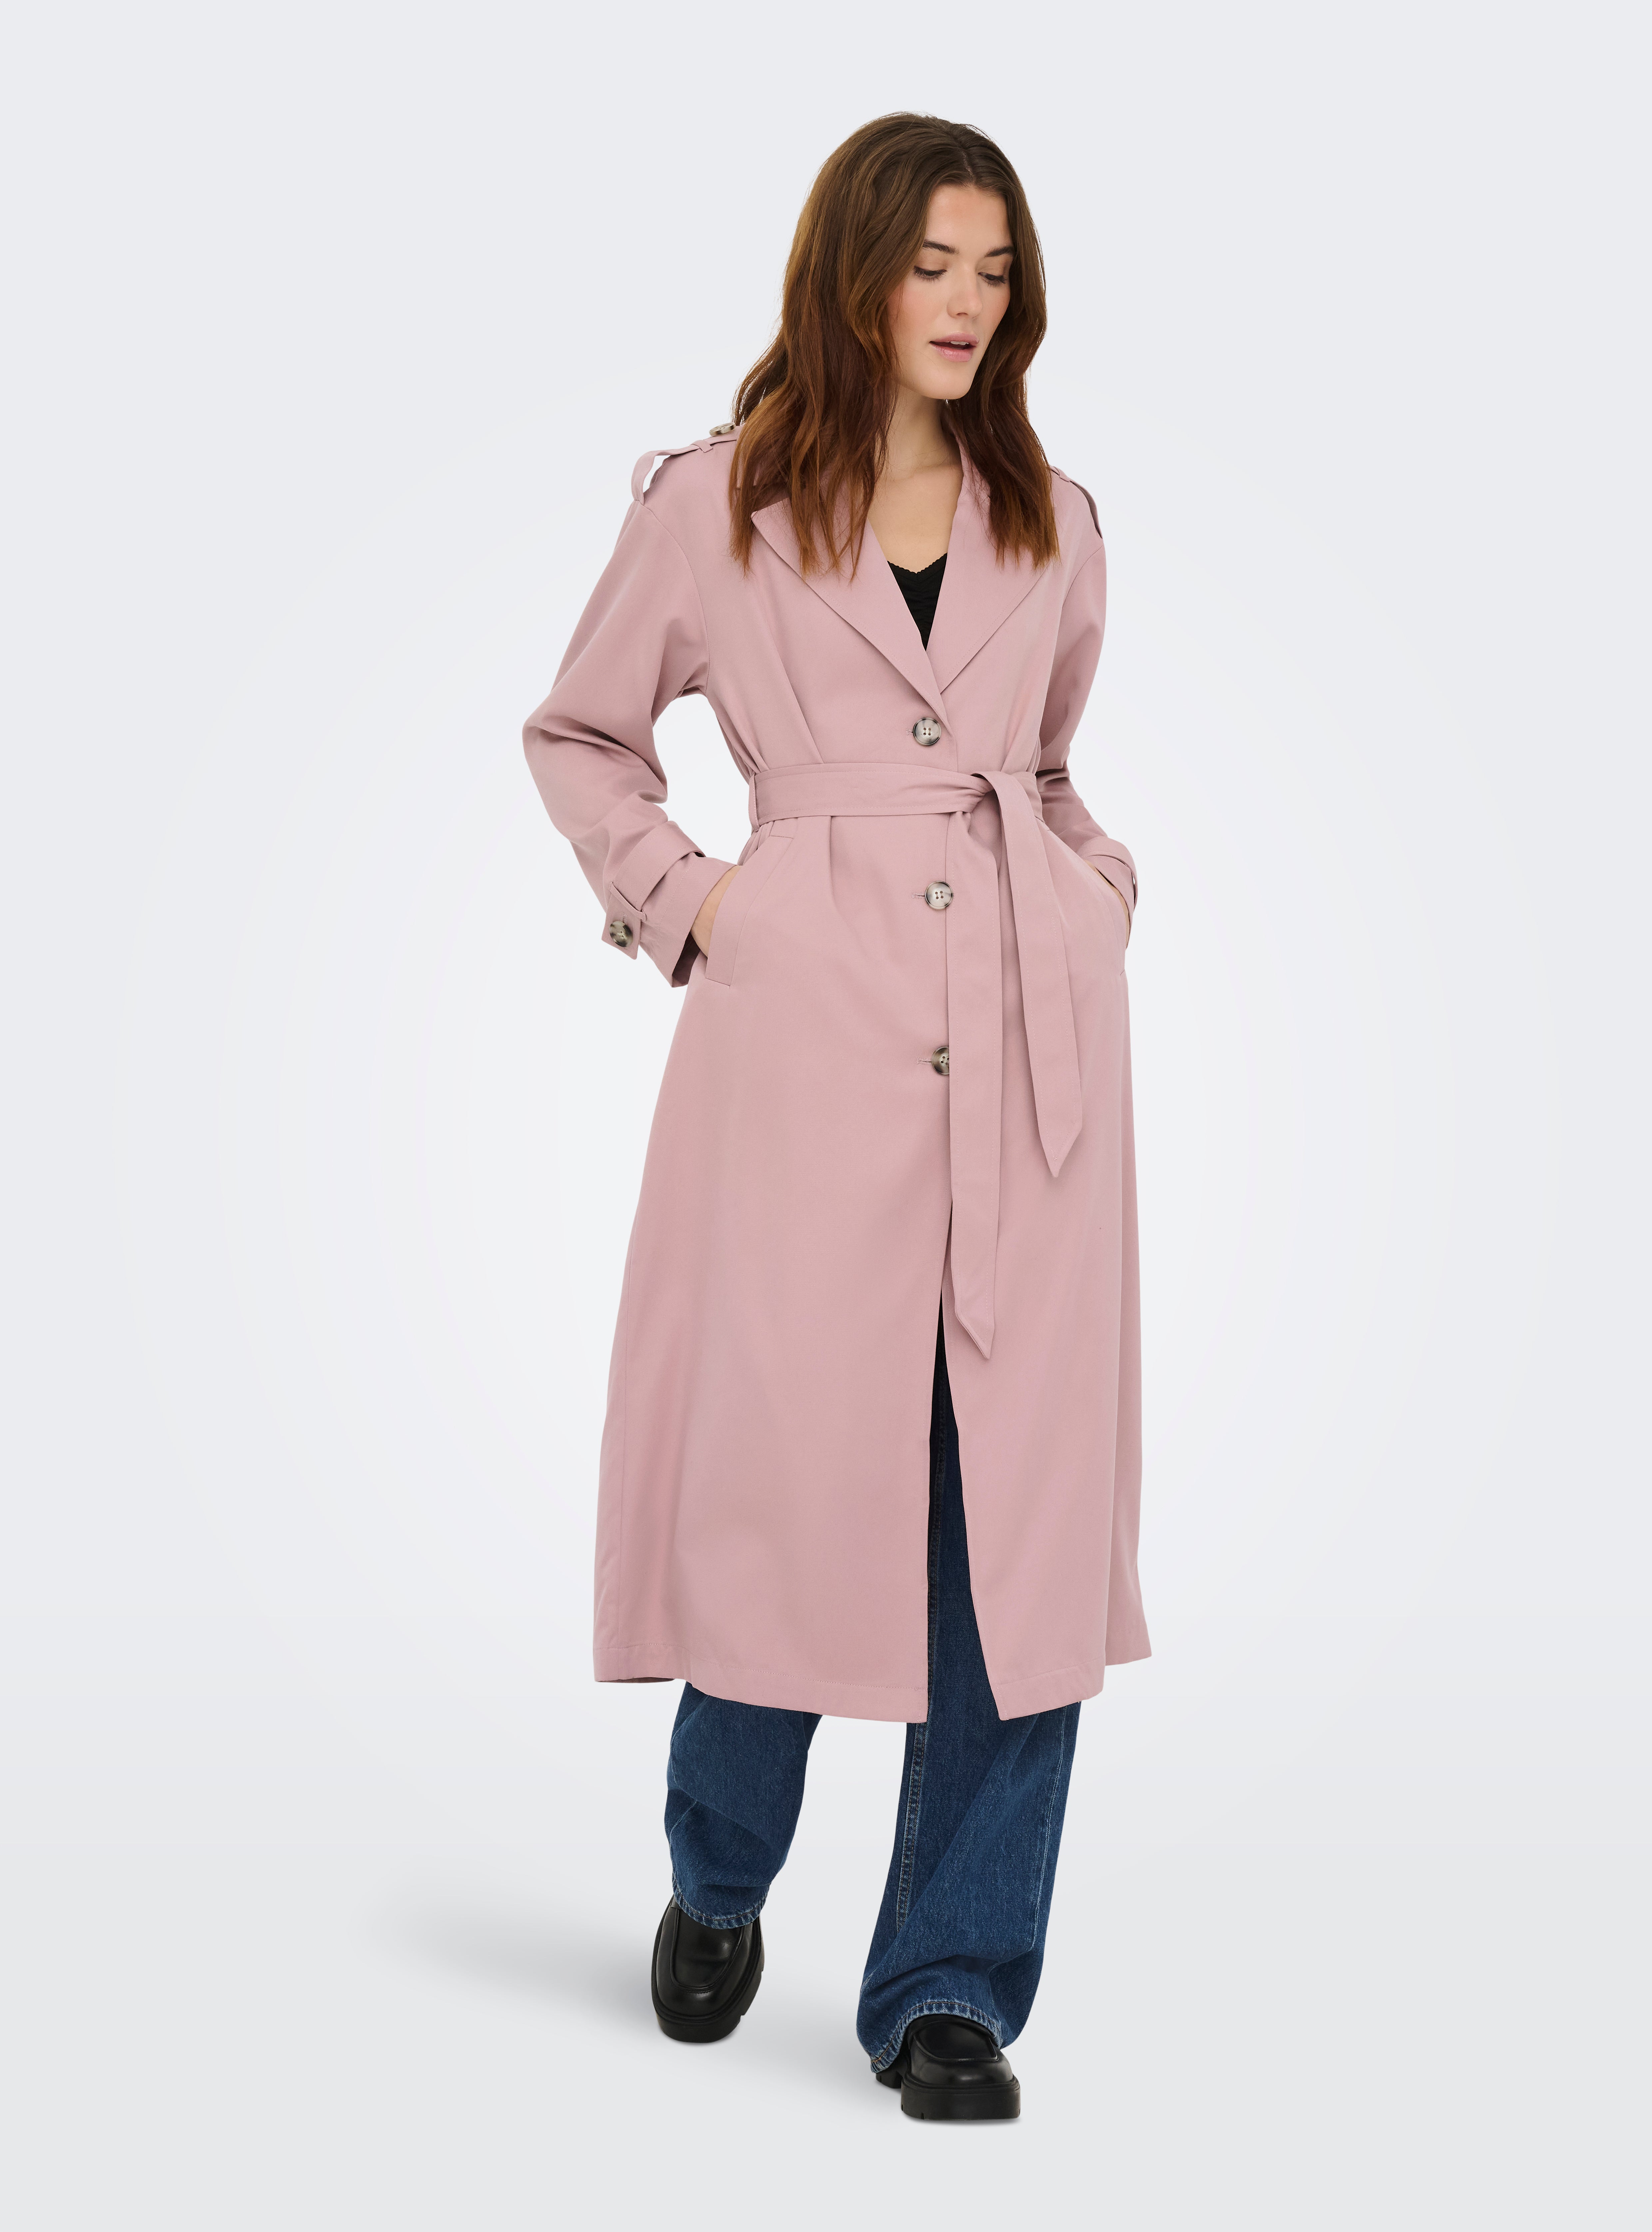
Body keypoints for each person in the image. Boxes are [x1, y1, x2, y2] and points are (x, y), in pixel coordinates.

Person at [522, 112, 1146, 2122]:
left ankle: (950, 1987)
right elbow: (582, 733)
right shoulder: (718, 506)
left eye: (997, 269)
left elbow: (1045, 768)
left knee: (1011, 1528)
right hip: (802, 1056)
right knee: (790, 1491)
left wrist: (1096, 886)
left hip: (1031, 1063)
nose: (968, 303)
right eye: (934, 263)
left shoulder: (1053, 516)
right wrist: (696, 906)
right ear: (855, 270)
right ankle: (720, 1871)